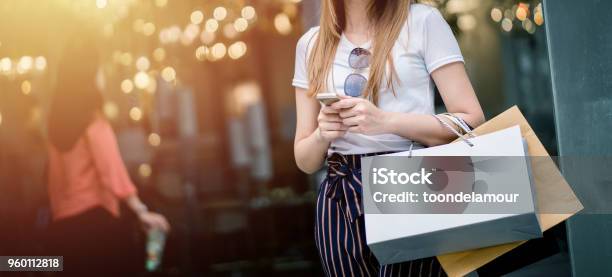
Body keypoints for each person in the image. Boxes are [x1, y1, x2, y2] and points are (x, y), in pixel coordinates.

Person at [293, 0, 485, 276]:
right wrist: (323, 134)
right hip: (339, 194)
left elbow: (470, 120)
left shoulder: (422, 21)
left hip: (407, 178)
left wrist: (385, 121)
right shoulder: (310, 44)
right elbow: (305, 160)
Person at [46, 33, 170, 274]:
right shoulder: (94, 121)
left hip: (62, 230)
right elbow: (110, 169)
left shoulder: (54, 127)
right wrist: (139, 210)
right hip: (97, 227)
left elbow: (52, 181)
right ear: (90, 75)